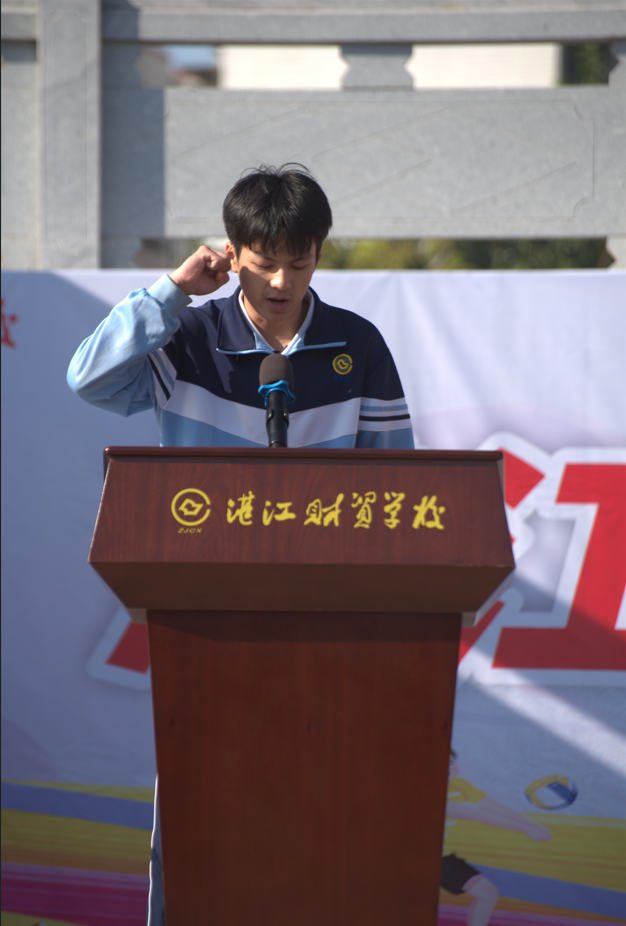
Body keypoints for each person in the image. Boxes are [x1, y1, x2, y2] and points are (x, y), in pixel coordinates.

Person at [67, 165, 414, 924]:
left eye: (300, 261)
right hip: (203, 617)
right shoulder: (189, 335)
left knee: (320, 805)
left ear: (320, 252)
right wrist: (172, 292)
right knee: (199, 804)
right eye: (264, 263)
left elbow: (393, 486)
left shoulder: (359, 344)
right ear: (231, 253)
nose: (283, 280)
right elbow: (89, 379)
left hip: (327, 622)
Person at [442, 749, 551, 926]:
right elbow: (479, 815)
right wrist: (525, 828)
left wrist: (532, 824)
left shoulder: (459, 785)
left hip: (442, 856)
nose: (449, 768)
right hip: (414, 857)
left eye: (451, 763)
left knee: (488, 893)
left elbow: (492, 807)